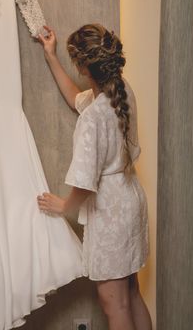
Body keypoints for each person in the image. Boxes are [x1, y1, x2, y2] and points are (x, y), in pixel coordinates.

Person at [36, 23, 152, 330]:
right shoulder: (121, 91)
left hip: (111, 213)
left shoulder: (94, 118)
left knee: (115, 307)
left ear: (84, 67)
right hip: (130, 201)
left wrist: (63, 206)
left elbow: (85, 183)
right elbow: (76, 98)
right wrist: (52, 56)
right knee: (131, 295)